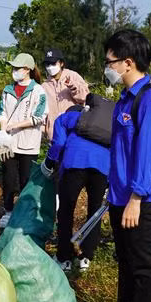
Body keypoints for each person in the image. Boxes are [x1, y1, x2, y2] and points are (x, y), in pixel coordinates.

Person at [102, 29, 151, 302]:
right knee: (127, 260)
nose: (107, 67)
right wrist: (113, 190)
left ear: (127, 63)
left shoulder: (150, 100)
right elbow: (119, 152)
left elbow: (147, 153)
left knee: (143, 263)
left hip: (140, 197)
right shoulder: (124, 99)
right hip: (121, 194)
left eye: (110, 62)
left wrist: (136, 197)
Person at [42, 93, 109, 273]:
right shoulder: (103, 125)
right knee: (95, 211)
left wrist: (48, 163)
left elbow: (59, 144)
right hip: (103, 166)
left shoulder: (67, 117)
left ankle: (64, 258)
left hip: (75, 163)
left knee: (66, 210)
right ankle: (86, 257)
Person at [0, 53, 48, 228]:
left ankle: (25, 213)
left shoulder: (38, 91)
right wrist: (3, 131)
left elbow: (39, 117)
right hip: (9, 142)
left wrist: (16, 125)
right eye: (14, 68)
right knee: (8, 178)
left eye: (18, 68)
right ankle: (8, 211)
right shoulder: (7, 90)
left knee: (26, 180)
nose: (14, 71)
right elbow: (2, 112)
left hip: (28, 143)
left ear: (27, 70)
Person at [41, 48, 89, 142]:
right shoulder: (44, 86)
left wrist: (73, 86)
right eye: (47, 64)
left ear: (61, 63)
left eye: (53, 63)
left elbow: (85, 97)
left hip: (74, 130)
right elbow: (43, 111)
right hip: (54, 134)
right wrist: (43, 130)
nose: (50, 67)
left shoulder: (73, 76)